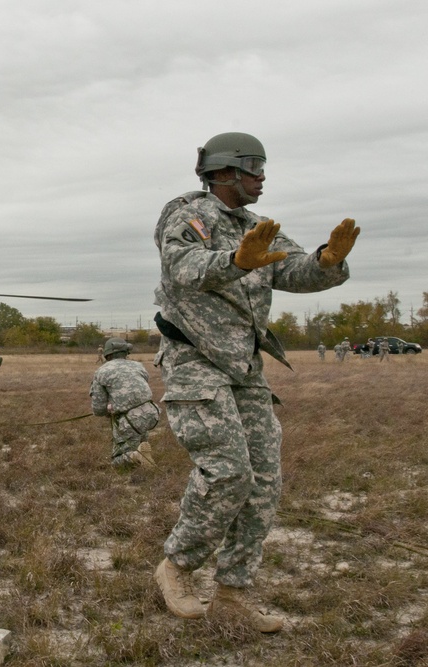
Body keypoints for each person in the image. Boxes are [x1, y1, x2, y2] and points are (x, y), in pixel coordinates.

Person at [152, 132, 359, 633]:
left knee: (264, 481)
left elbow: (295, 271)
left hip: (244, 368)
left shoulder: (257, 227)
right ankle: (176, 567)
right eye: (254, 168)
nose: (262, 177)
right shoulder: (187, 215)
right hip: (195, 360)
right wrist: (235, 261)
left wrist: (328, 263)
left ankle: (234, 592)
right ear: (224, 172)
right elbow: (181, 269)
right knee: (228, 472)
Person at [89, 337, 160, 468]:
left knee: (117, 461)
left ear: (107, 354)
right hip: (151, 413)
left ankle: (136, 455)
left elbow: (98, 409)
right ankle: (141, 451)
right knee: (138, 437)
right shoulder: (138, 366)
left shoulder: (102, 371)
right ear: (126, 352)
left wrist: (109, 410)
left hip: (130, 420)